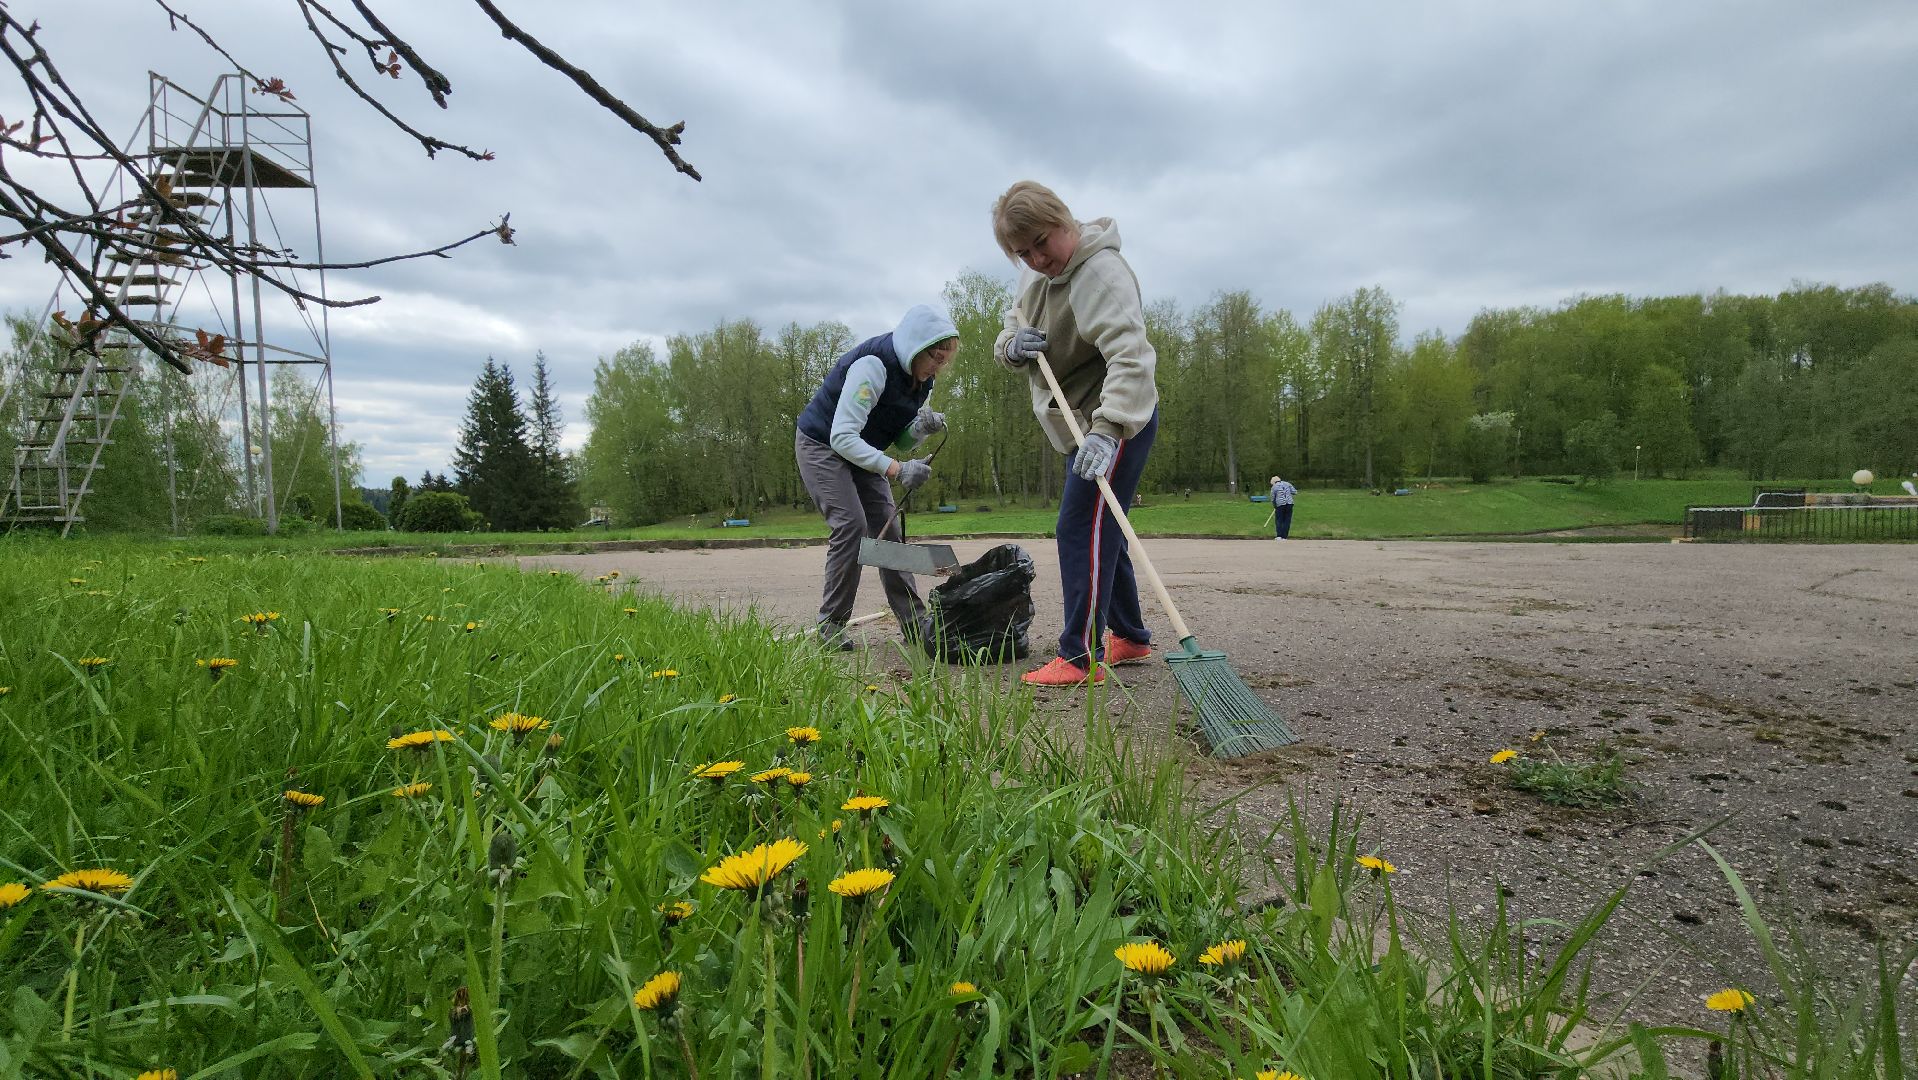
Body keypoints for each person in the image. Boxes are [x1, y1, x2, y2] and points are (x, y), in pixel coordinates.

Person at [992, 180, 1159, 686]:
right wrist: (1010, 347)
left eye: (1042, 242)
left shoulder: (1101, 274)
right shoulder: (1035, 275)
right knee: (1103, 527)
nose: (1037, 259)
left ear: (1063, 219)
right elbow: (1011, 323)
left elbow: (1132, 358)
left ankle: (1079, 656)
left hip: (1116, 419)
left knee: (1078, 527)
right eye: (1023, 253)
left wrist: (1108, 430)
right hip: (1076, 424)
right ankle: (1129, 635)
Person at [795, 304, 958, 649]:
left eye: (945, 361)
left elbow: (900, 439)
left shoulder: (921, 380)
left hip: (862, 448)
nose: (939, 368)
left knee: (888, 530)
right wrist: (898, 469)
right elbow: (842, 437)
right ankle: (831, 625)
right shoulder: (872, 366)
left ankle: (914, 623)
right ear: (916, 345)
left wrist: (920, 429)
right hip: (822, 445)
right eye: (936, 358)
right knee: (851, 526)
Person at [1269, 474, 1297, 540]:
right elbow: (1295, 492)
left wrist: (1275, 505)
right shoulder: (1287, 484)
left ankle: (1279, 536)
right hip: (1289, 504)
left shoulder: (1274, 487)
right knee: (1287, 520)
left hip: (1280, 504)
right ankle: (1284, 537)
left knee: (1279, 520)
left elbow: (1272, 498)